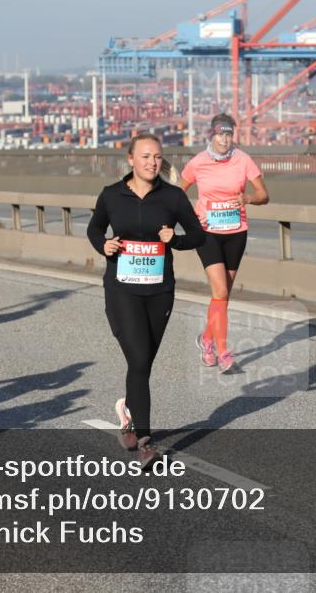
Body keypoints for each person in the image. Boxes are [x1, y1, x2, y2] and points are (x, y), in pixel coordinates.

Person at [87, 134, 204, 469]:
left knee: (142, 364)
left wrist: (176, 240)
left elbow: (197, 234)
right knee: (138, 360)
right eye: (145, 156)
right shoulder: (112, 195)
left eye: (157, 157)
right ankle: (145, 441)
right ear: (130, 159)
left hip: (159, 292)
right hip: (122, 290)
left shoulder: (173, 196)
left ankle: (128, 413)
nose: (152, 163)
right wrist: (104, 245)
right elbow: (94, 229)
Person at [179, 114, 268, 372]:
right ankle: (223, 352)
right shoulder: (198, 162)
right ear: (211, 135)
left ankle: (207, 339)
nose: (224, 139)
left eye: (228, 134)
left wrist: (248, 199)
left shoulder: (243, 160)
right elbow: (177, 193)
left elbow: (264, 195)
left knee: (223, 295)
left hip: (236, 232)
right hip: (207, 233)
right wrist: (189, 218)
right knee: (219, 291)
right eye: (220, 134)